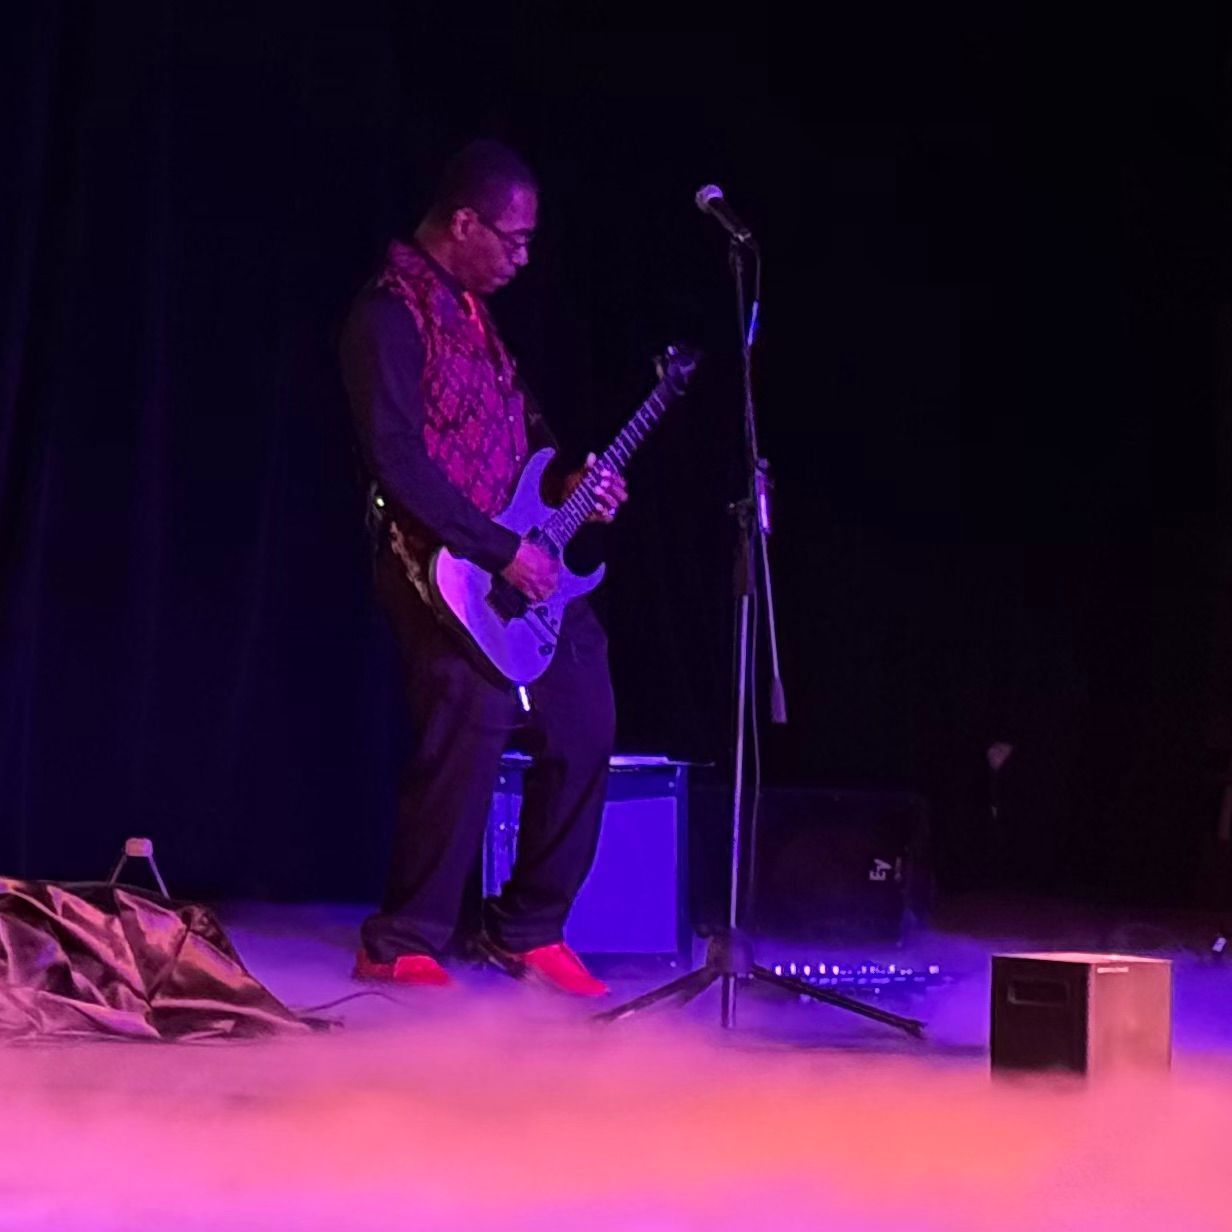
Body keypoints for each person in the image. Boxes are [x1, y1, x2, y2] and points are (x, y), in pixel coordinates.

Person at [339, 139, 627, 995]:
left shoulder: (474, 316)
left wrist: (573, 480)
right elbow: (396, 458)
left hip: (521, 562)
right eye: (514, 238)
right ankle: (399, 941)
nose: (524, 257)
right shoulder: (387, 315)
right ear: (464, 221)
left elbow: (527, 439)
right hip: (435, 562)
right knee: (472, 709)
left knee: (584, 714)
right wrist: (501, 549)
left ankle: (528, 927)